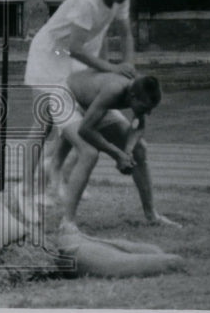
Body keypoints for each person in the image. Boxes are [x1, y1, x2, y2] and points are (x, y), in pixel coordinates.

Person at [17, 0, 139, 217]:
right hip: (50, 55)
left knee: (77, 119)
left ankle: (55, 173)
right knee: (43, 125)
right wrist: (111, 68)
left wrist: (127, 66)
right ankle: (25, 192)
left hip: (75, 58)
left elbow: (125, 34)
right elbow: (73, 48)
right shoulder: (86, 1)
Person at [56, 70, 174, 231]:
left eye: (151, 109)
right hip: (65, 97)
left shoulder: (141, 88)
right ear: (132, 97)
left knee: (140, 149)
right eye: (146, 108)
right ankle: (67, 222)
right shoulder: (114, 90)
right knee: (89, 153)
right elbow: (85, 130)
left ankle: (151, 216)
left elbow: (138, 123)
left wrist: (128, 150)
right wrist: (117, 154)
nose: (149, 113)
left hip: (94, 103)